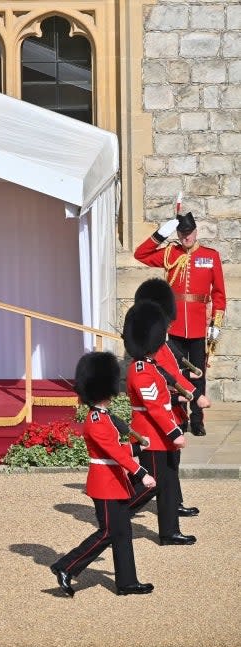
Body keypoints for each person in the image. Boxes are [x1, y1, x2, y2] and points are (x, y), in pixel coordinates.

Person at [50, 352, 156, 597]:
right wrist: (141, 473)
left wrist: (139, 447)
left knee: (123, 532)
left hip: (114, 481)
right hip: (105, 483)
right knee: (109, 532)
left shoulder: (105, 417)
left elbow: (116, 449)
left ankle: (127, 582)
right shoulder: (96, 420)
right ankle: (66, 567)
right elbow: (115, 454)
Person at [134, 210, 225, 436]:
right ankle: (180, 417)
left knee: (197, 373)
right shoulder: (170, 253)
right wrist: (161, 234)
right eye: (182, 233)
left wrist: (215, 322)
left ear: (195, 232)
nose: (186, 238)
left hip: (197, 326)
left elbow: (219, 293)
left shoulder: (210, 256)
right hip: (174, 326)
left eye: (189, 233)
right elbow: (140, 254)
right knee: (176, 374)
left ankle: (197, 419)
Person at [133, 278, 209, 518]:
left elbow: (175, 373)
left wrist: (194, 393)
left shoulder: (163, 345)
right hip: (162, 412)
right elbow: (167, 378)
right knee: (159, 467)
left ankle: (173, 503)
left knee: (170, 464)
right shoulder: (150, 350)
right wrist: (192, 394)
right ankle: (126, 504)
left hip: (173, 409)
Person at [122, 300, 196, 546]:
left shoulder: (151, 366)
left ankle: (169, 532)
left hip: (161, 434)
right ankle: (116, 513)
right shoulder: (141, 369)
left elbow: (165, 396)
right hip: (152, 435)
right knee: (150, 485)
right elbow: (154, 407)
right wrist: (174, 432)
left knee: (165, 485)